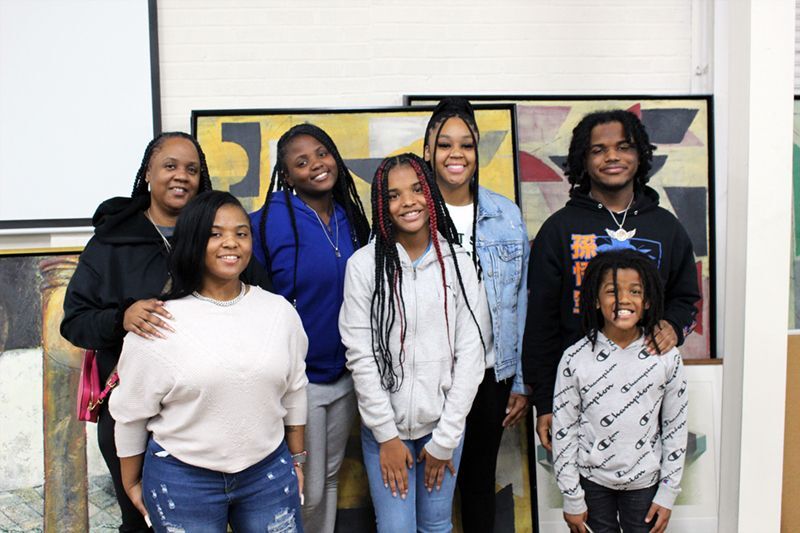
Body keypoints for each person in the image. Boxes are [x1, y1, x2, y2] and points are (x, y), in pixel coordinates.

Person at [60, 132, 271, 532]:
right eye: (170, 166)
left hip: (211, 408)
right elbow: (74, 321)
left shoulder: (222, 238)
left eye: (192, 169)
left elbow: (262, 301)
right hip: (134, 411)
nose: (182, 176)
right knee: (143, 522)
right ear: (147, 175)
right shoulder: (111, 241)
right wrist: (121, 317)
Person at [109, 191, 308, 532]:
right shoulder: (157, 321)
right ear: (193, 240)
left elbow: (294, 390)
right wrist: (130, 483)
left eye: (241, 233)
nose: (231, 243)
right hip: (182, 477)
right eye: (215, 233)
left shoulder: (279, 312)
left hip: (268, 472)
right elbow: (130, 413)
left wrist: (297, 459)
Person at [521, 110, 700, 452]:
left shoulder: (667, 227)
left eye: (623, 147)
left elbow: (686, 297)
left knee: (643, 500)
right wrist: (543, 401)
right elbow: (540, 322)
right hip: (576, 394)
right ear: (583, 160)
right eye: (598, 150)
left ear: (639, 155)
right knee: (583, 502)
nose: (612, 156)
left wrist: (674, 326)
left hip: (649, 394)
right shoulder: (558, 230)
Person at [339, 153, 485, 532]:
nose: (408, 202)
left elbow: (471, 353)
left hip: (443, 425)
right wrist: (387, 436)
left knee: (437, 526)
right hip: (385, 432)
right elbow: (361, 355)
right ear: (382, 206)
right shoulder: (363, 265)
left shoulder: (459, 262)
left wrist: (446, 438)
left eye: (417, 190)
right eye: (394, 195)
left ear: (431, 194)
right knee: (396, 528)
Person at [250, 123, 370, 533]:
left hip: (347, 375)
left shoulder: (350, 217)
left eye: (322, 153)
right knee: (308, 488)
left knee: (330, 476)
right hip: (300, 379)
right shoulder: (265, 222)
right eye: (302, 162)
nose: (317, 165)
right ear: (286, 175)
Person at [422, 97, 530, 532]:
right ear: (428, 149)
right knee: (428, 484)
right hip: (429, 374)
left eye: (466, 145)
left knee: (478, 483)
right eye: (445, 144)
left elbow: (521, 299)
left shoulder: (504, 215)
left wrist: (519, 379)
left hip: (489, 374)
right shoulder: (411, 211)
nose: (456, 154)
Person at [551, 249, 687, 533]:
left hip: (645, 484)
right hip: (592, 484)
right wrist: (572, 497)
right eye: (612, 291)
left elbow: (675, 427)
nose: (624, 300)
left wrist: (668, 491)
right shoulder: (574, 358)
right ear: (596, 301)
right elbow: (564, 430)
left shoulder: (666, 357)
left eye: (635, 291)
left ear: (647, 301)